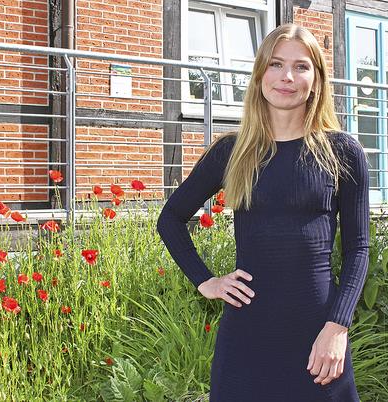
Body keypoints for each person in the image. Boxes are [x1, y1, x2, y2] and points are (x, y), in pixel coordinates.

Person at [156, 23, 369, 401]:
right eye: (275, 64)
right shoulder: (231, 151)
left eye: (301, 66)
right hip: (247, 334)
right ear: (259, 77)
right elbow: (170, 218)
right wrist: (206, 281)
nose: (287, 76)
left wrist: (337, 327)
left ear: (317, 81)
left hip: (318, 333)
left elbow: (359, 249)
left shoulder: (342, 152)